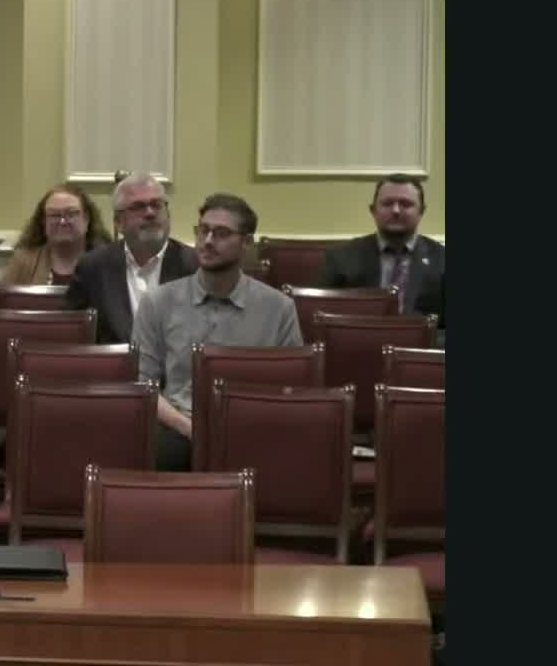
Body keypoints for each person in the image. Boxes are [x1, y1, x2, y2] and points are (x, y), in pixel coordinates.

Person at [133, 193, 303, 471]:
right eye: (203, 230)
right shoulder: (158, 302)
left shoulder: (279, 308)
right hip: (179, 427)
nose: (208, 241)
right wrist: (189, 429)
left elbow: (291, 390)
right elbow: (144, 385)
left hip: (254, 428)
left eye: (221, 233)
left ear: (246, 242)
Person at [66, 172, 197, 344]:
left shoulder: (195, 265)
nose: (150, 213)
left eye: (156, 205)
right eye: (138, 207)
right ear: (118, 222)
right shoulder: (93, 267)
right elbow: (71, 335)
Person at [319, 173, 445, 337]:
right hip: (358, 344)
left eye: (406, 204)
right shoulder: (341, 257)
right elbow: (320, 318)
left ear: (421, 211)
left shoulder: (442, 260)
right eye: (387, 203)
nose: (396, 210)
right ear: (373, 210)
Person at [0, 182, 112, 286]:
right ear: (43, 222)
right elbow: (3, 299)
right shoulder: (23, 262)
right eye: (54, 215)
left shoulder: (108, 263)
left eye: (71, 214)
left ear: (87, 219)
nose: (62, 221)